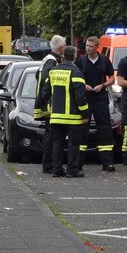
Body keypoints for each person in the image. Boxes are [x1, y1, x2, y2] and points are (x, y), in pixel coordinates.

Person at [39, 45, 89, 178]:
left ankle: (56, 170)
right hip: (73, 117)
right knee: (73, 144)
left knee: (57, 143)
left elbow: (45, 93)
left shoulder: (53, 71)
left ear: (63, 56)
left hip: (55, 116)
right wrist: (85, 114)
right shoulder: (76, 72)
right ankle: (72, 170)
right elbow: (80, 98)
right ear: (75, 56)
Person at [76, 36, 116, 171]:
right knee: (83, 128)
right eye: (87, 46)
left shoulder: (104, 60)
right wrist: (84, 85)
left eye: (91, 46)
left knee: (104, 129)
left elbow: (112, 78)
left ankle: (107, 162)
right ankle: (78, 162)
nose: (88, 48)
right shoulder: (81, 61)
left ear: (97, 47)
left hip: (100, 98)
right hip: (86, 98)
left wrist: (102, 85)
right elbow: (75, 78)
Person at [34, 35, 66, 174]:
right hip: (49, 105)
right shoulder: (52, 62)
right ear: (61, 47)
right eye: (64, 45)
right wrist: (48, 99)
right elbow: (47, 82)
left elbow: (38, 77)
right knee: (51, 135)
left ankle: (49, 164)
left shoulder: (48, 60)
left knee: (50, 134)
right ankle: (49, 165)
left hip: (45, 103)